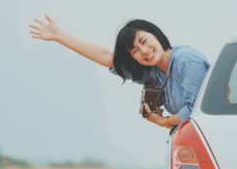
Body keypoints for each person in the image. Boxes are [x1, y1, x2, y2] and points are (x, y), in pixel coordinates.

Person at [29, 14, 209, 129]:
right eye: (135, 50)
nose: (144, 51)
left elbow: (195, 109)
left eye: (144, 41)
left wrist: (164, 122)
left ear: (156, 34)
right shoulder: (153, 71)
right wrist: (58, 36)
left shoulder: (185, 59)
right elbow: (107, 57)